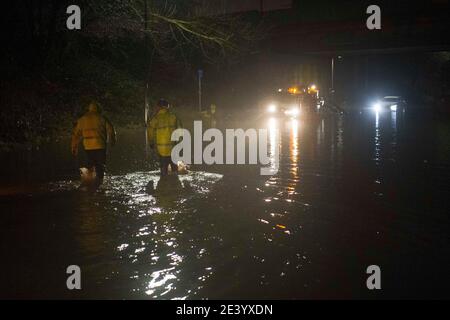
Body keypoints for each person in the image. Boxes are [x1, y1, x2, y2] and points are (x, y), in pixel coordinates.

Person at [71, 101, 116, 183]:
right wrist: (112, 141)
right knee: (100, 166)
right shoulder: (102, 118)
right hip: (100, 146)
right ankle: (99, 182)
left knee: (90, 165)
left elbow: (76, 134)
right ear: (98, 109)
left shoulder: (82, 119)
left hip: (88, 147)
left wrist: (74, 146)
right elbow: (111, 130)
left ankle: (89, 182)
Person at [147, 99, 182, 176]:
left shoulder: (156, 118)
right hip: (173, 148)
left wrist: (151, 142)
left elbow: (150, 131)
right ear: (167, 107)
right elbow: (180, 130)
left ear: (159, 107)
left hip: (161, 150)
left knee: (163, 171)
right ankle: (175, 182)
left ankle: (164, 181)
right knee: (175, 171)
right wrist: (180, 142)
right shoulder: (173, 116)